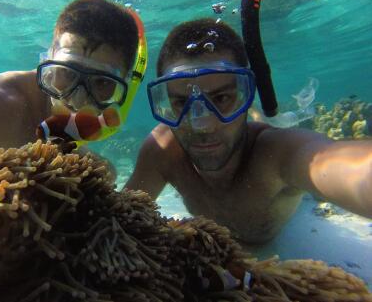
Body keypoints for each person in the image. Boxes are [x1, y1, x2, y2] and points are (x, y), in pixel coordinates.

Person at [124, 18, 372, 245]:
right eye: (180, 102)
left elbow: (331, 162)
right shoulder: (163, 150)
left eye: (221, 98)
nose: (202, 124)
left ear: (246, 96)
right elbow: (118, 218)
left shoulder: (277, 152)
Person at [0, 0, 141, 191]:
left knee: (106, 175)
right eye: (66, 73)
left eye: (102, 83)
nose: (78, 99)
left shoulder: (66, 124)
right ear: (47, 61)